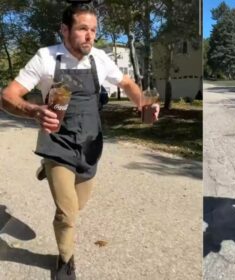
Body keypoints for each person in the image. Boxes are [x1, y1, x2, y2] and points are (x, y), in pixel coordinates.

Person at [1, 3, 159, 280]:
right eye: (83, 29)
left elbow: (127, 84)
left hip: (90, 144)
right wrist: (34, 110)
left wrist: (143, 102)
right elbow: (8, 96)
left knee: (77, 204)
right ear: (64, 30)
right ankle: (65, 260)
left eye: (94, 30)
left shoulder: (100, 59)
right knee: (67, 214)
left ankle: (47, 171)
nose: (90, 36)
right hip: (57, 143)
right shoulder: (46, 57)